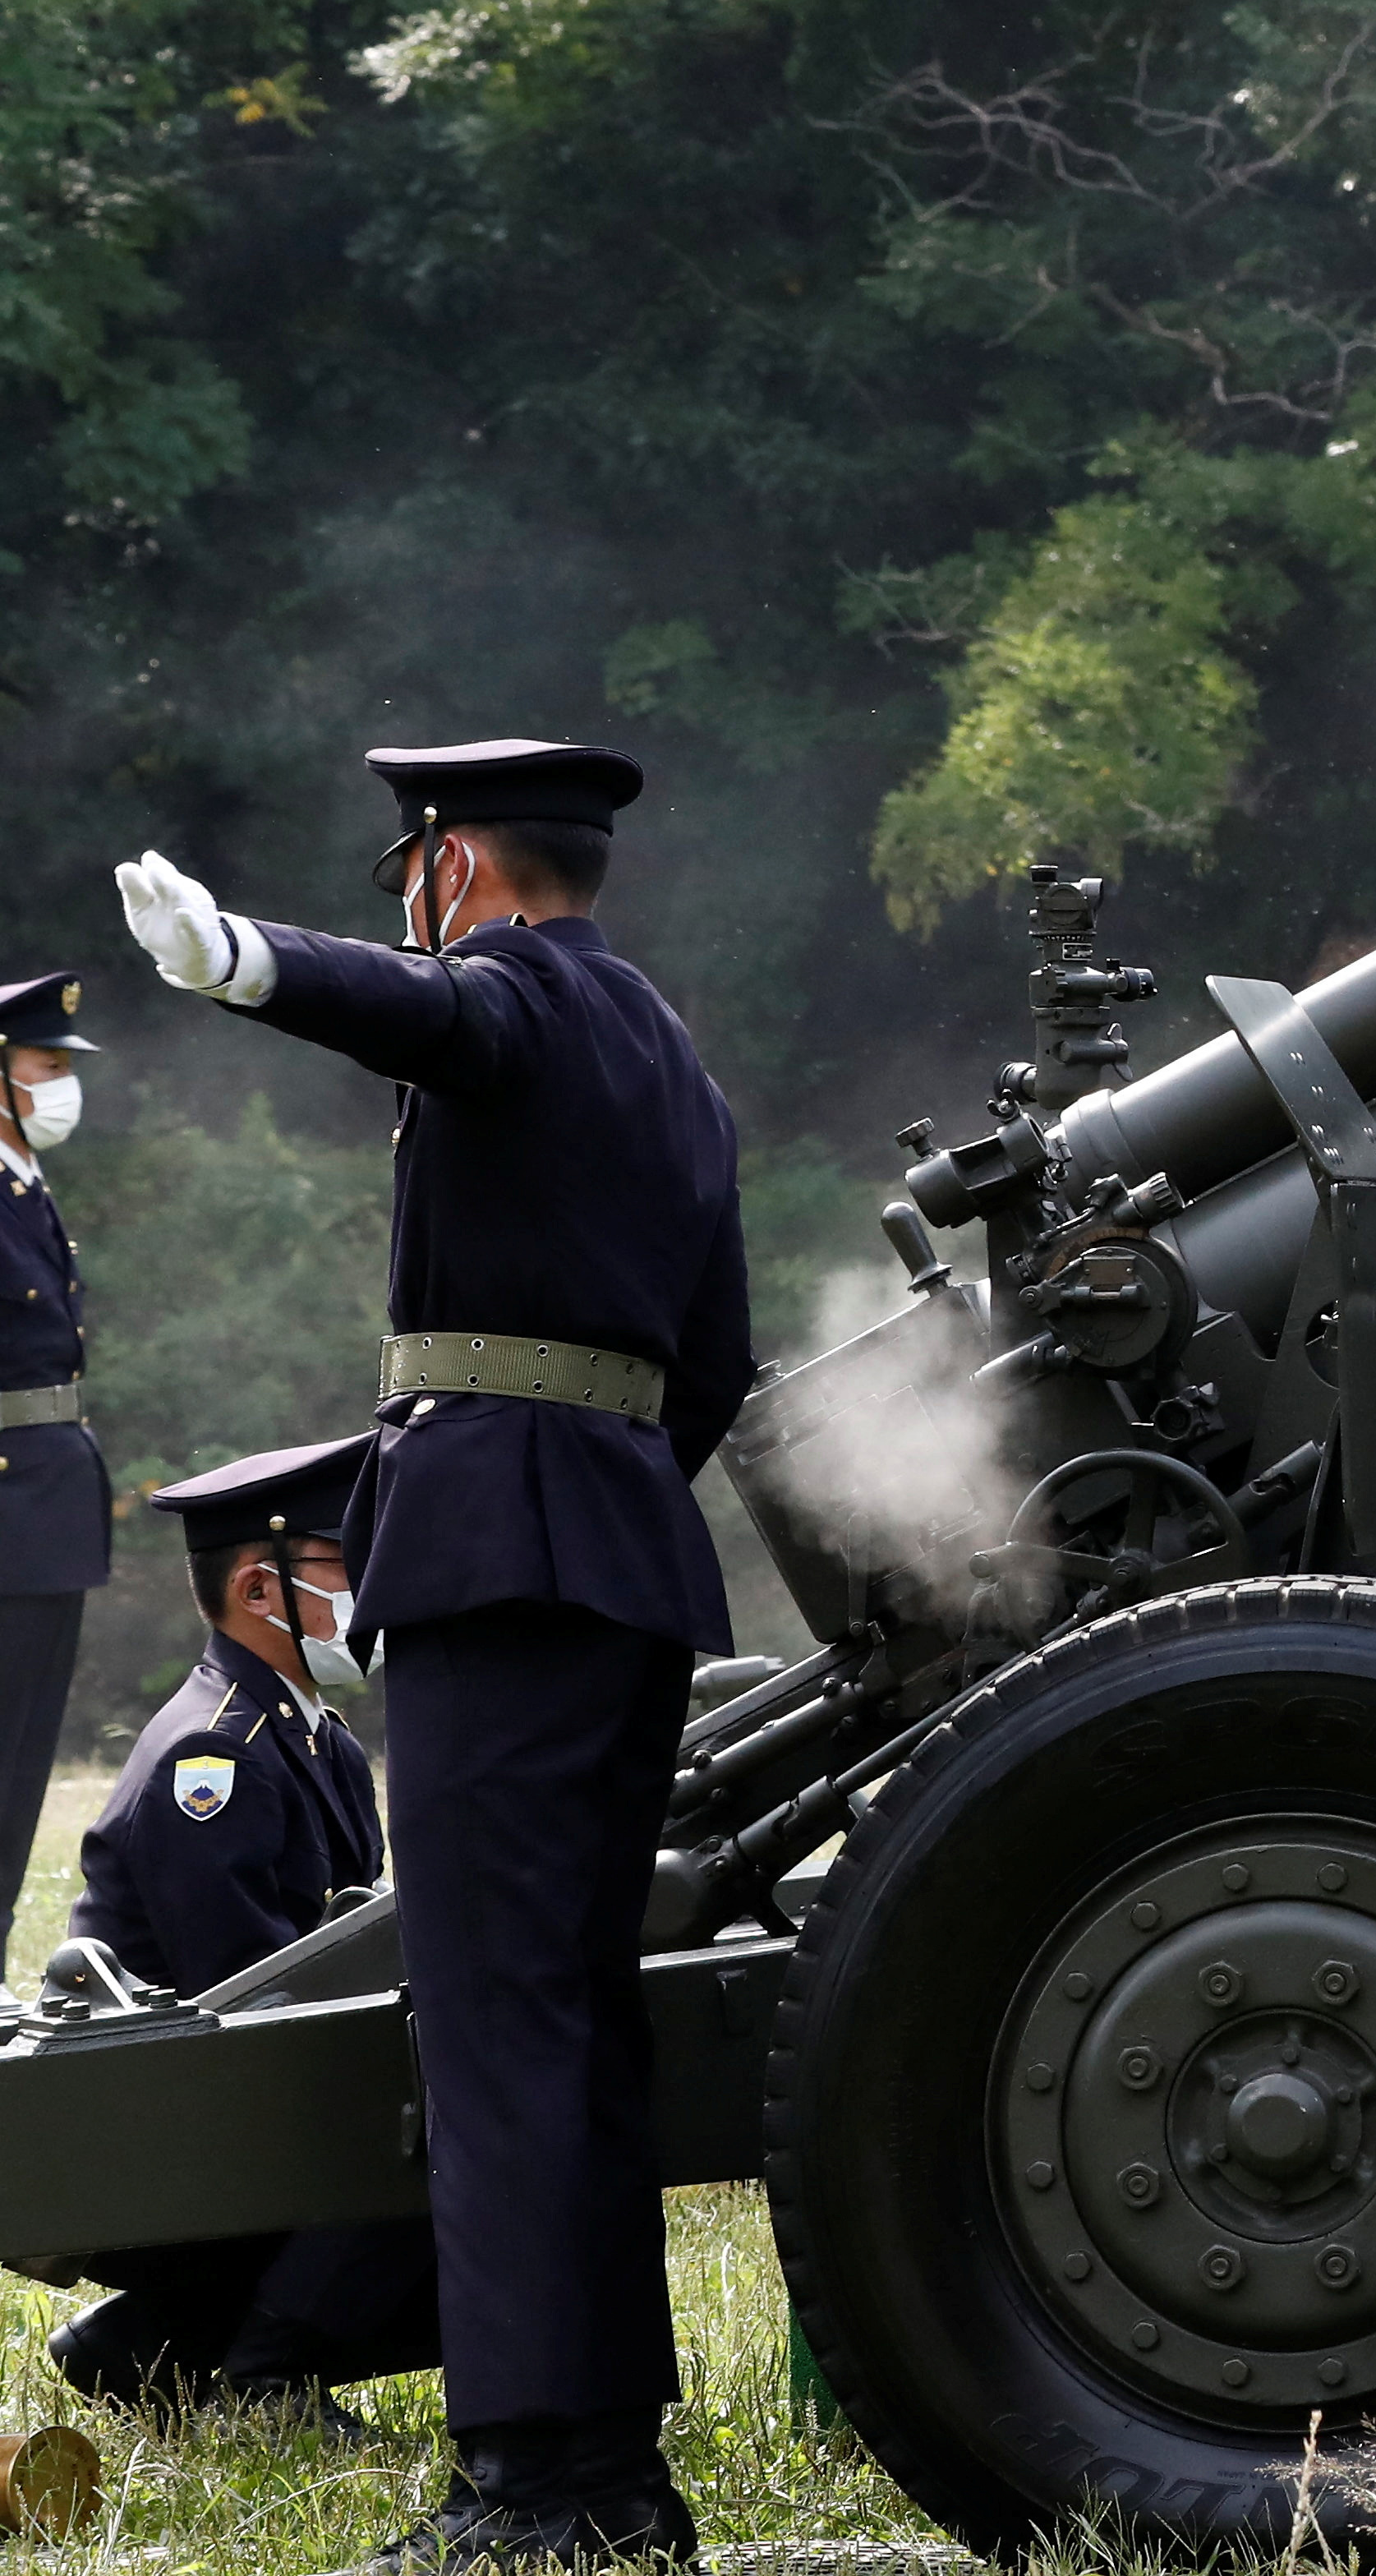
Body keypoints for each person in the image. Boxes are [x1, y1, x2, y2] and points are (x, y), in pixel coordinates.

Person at [113, 741, 749, 2574]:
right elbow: (707, 1361)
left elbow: (421, 1017)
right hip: (622, 1555)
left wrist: (242, 958)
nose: (415, 900)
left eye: (415, 868)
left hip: (500, 1563)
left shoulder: (518, 1000)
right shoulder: (675, 1062)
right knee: (576, 2021)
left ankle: (539, 2485)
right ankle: (608, 2472)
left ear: (458, 866)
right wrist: (600, 1493)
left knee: (494, 2030)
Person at [44, 1433, 441, 2422]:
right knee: (434, 2120)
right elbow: (263, 2003)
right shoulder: (211, 1761)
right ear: (263, 1592)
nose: (368, 1585)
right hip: (174, 2135)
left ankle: (152, 2343)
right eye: (341, 1563)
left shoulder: (313, 1737)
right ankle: (268, 2375)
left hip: (228, 2105)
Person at [0, 968, 107, 1954]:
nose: (61, 1082)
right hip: (9, 1508)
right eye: (43, 1065)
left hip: (43, 1505)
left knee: (22, 1755)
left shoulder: (24, 1184)